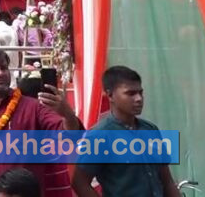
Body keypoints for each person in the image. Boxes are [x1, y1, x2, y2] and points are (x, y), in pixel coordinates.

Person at [0, 46, 82, 197]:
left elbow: (70, 136)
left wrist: (68, 114)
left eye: (3, 68)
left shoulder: (33, 108)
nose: (0, 73)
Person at [71, 66, 178, 197]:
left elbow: (167, 181)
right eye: (130, 93)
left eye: (140, 93)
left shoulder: (150, 129)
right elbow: (80, 182)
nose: (139, 98)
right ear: (110, 95)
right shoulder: (100, 136)